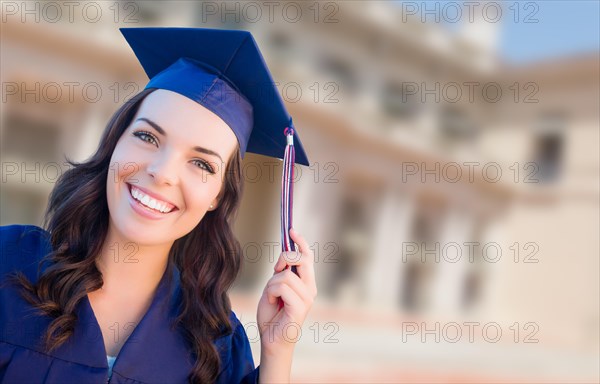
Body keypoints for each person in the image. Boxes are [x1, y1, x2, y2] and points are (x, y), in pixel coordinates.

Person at [0, 27, 317, 383]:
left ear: (217, 196)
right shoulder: (8, 261)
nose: (162, 173)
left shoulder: (218, 346)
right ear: (114, 143)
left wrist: (277, 351)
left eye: (202, 163)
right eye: (147, 137)